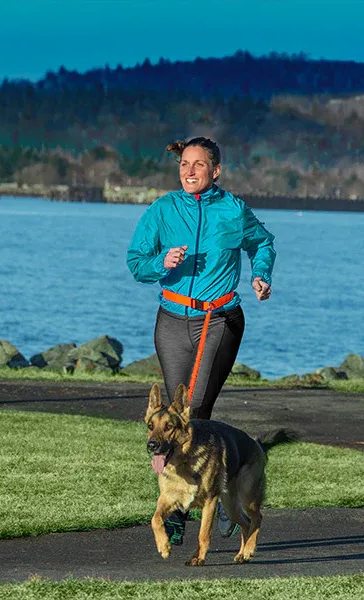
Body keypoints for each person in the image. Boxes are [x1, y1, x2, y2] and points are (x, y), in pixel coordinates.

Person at [126, 136, 276, 545]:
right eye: (184, 165)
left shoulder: (232, 210)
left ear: (216, 171)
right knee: (172, 415)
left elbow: (262, 241)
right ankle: (176, 505)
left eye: (198, 165)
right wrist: (162, 262)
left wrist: (261, 274)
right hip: (172, 317)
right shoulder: (162, 210)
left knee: (196, 408)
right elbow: (136, 262)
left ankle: (216, 498)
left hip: (220, 318)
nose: (189, 171)